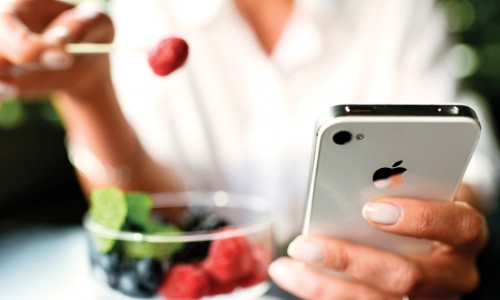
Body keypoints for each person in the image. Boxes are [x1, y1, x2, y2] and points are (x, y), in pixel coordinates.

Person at [0, 0, 498, 298]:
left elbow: (456, 162)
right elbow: (154, 226)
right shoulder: (149, 9)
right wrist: (89, 96)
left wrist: (441, 234)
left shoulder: (394, 9)